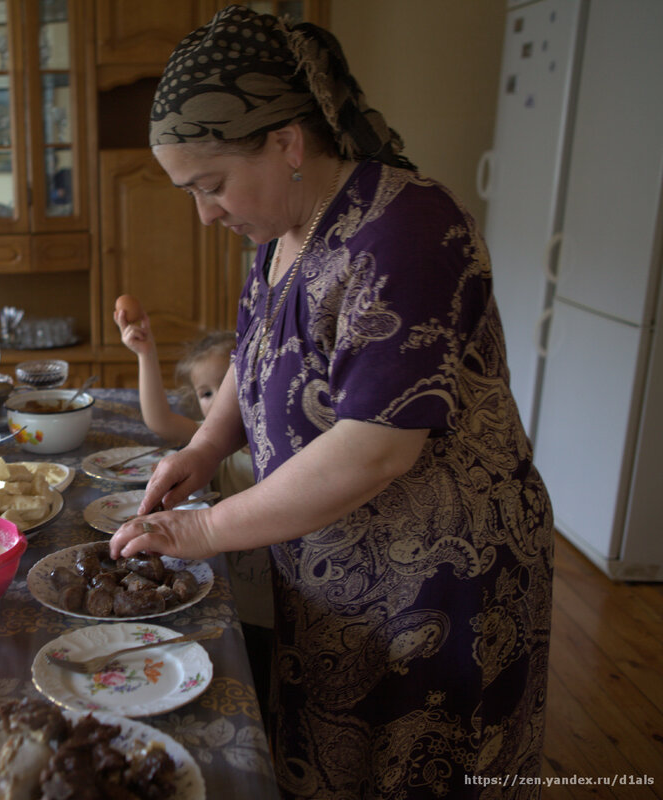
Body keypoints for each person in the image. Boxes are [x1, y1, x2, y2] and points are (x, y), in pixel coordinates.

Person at [108, 7, 554, 799]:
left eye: (209, 186)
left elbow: (378, 446)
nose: (205, 213)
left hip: (441, 587)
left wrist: (206, 527)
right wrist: (207, 448)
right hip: (333, 570)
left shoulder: (409, 227)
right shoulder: (280, 235)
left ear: (287, 142)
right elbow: (254, 356)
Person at [114, 313, 273, 693]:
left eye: (228, 387)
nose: (222, 402)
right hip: (245, 595)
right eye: (206, 393)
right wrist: (146, 354)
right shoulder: (215, 442)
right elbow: (159, 419)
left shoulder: (282, 448)